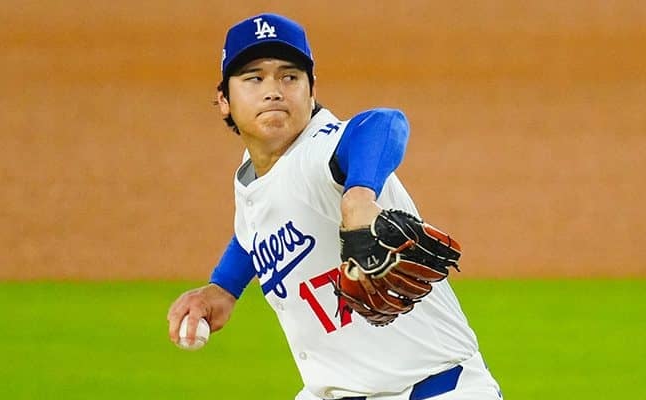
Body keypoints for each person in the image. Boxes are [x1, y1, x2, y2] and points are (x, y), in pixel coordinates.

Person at [167, 13, 502, 400]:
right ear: (225, 101)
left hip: (436, 390)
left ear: (311, 92)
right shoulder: (253, 172)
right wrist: (223, 289)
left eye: (290, 77)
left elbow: (383, 123)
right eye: (254, 79)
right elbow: (254, 229)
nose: (273, 91)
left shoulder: (320, 152)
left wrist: (358, 197)